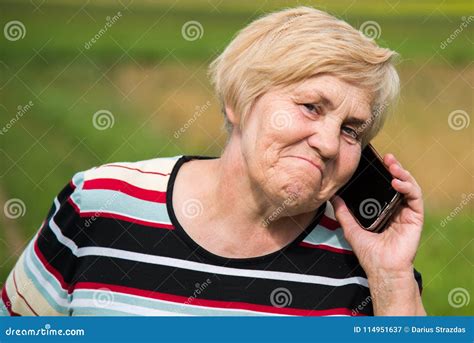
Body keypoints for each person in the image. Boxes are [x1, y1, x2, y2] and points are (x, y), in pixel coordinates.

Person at [1, 6, 425, 316]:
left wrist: (391, 280)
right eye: (311, 106)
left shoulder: (366, 270)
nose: (330, 144)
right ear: (239, 102)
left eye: (352, 129)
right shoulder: (100, 204)